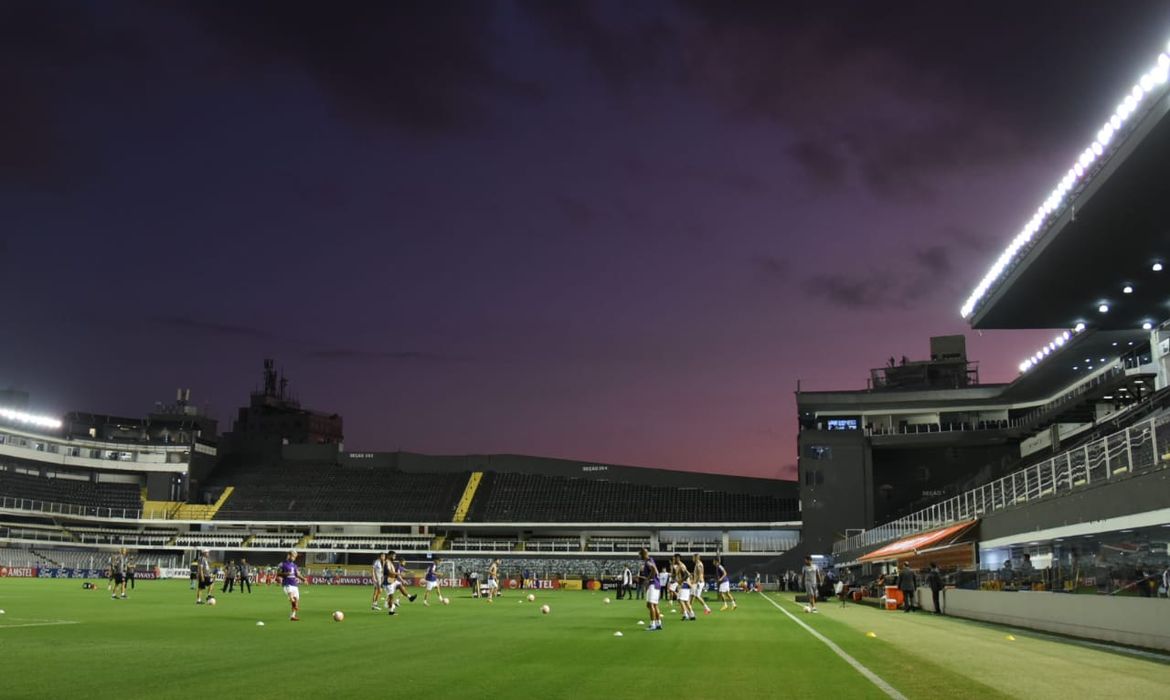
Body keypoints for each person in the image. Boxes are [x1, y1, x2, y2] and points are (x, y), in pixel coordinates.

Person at [278, 550, 307, 621]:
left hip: (294, 584)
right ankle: (294, 603)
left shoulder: (294, 565)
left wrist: (303, 579)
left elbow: (297, 574)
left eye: (295, 557)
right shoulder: (282, 564)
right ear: (289, 555)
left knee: (296, 599)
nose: (294, 558)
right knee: (291, 597)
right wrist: (285, 574)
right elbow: (278, 573)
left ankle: (293, 616)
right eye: (294, 556)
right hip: (287, 583)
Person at [639, 548, 663, 631]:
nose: (640, 557)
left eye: (640, 555)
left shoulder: (648, 561)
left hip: (653, 584)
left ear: (643, 554)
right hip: (656, 584)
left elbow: (654, 570)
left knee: (651, 604)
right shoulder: (651, 560)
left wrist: (647, 580)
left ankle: (653, 625)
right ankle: (658, 623)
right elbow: (656, 571)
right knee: (653, 605)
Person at [674, 554, 696, 621]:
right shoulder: (679, 566)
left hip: (684, 584)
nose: (673, 560)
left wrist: (680, 581)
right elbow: (688, 574)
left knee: (681, 600)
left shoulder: (681, 565)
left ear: (677, 558)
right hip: (685, 584)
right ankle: (692, 615)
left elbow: (686, 575)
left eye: (674, 559)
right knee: (685, 601)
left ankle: (685, 615)